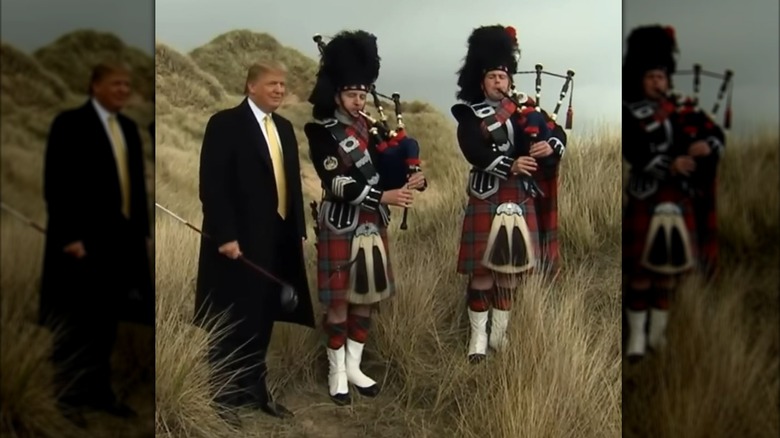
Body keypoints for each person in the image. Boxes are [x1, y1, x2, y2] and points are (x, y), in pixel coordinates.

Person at [304, 29, 426, 405]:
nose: (358, 101)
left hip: (372, 225)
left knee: (365, 299)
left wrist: (414, 178)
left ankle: (354, 367)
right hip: (341, 221)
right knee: (339, 301)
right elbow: (336, 181)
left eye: (362, 94)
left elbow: (390, 167)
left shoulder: (373, 132)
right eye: (351, 94)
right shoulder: (321, 132)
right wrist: (382, 195)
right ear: (335, 95)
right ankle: (336, 370)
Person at [194, 61, 315, 423]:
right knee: (233, 317)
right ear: (250, 87)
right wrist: (226, 235)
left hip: (277, 239)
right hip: (237, 244)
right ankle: (224, 397)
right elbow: (212, 185)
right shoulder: (225, 124)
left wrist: (298, 230)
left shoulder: (284, 128)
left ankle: (254, 390)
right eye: (272, 84)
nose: (279, 90)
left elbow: (290, 183)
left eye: (283, 85)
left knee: (263, 317)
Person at [40, 61, 153, 425]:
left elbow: (134, 190)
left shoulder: (129, 129)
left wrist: (141, 236)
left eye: (127, 85)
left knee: (106, 324)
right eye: (116, 84)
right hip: (80, 245)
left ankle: (100, 394)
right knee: (75, 324)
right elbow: (56, 185)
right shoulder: (69, 124)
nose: (123, 90)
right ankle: (69, 399)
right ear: (95, 86)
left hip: (119, 246)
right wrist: (69, 237)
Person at [451, 25, 566, 363]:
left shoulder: (527, 111)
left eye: (503, 76)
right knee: (482, 272)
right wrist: (510, 165)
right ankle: (477, 339)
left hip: (520, 198)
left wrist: (550, 146)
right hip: (488, 196)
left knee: (510, 274)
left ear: (510, 79)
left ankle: (499, 336)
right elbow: (472, 150)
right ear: (481, 80)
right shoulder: (471, 115)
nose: (498, 82)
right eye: (492, 77)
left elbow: (557, 135)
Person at [622, 25, 724, 360]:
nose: (658, 82)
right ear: (640, 76)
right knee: (639, 275)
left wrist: (705, 147)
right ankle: (636, 340)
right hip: (646, 196)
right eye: (651, 76)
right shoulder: (630, 112)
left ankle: (657, 337)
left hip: (679, 200)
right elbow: (634, 151)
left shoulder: (683, 108)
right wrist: (670, 165)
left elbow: (715, 134)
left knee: (666, 274)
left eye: (662, 76)